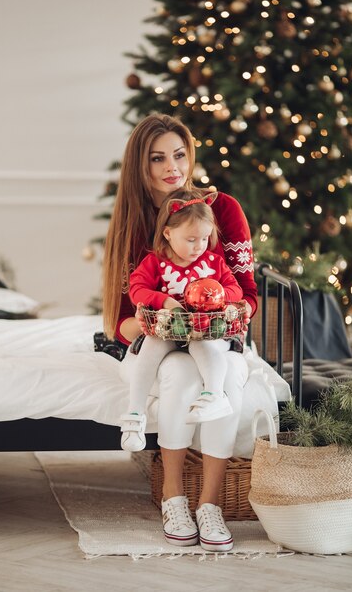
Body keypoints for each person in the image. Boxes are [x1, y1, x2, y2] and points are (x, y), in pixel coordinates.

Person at [103, 113, 257, 553]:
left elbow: (246, 293)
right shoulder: (135, 222)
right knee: (177, 376)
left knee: (222, 376)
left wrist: (221, 312)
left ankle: (210, 505)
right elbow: (122, 320)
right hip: (160, 337)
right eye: (158, 158)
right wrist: (161, 319)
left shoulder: (220, 209)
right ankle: (174, 496)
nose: (173, 166)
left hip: (216, 332)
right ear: (141, 166)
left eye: (179, 154)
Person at [120, 187, 248, 453]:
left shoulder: (213, 262)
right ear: (168, 233)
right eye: (191, 239)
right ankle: (134, 414)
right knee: (151, 345)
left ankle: (214, 395)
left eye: (204, 238)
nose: (199, 246)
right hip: (171, 331)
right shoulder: (155, 262)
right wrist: (164, 300)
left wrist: (219, 294)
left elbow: (237, 289)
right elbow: (137, 289)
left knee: (204, 344)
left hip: (205, 331)